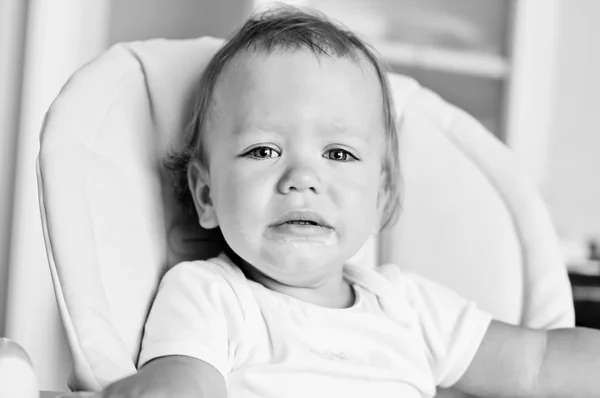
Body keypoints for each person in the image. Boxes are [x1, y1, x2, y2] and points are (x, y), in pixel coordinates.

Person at [102, 6, 600, 398]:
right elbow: (187, 383)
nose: (302, 178)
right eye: (263, 150)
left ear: (382, 198)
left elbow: (537, 365)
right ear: (206, 194)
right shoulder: (212, 296)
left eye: (338, 153)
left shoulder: (410, 310)